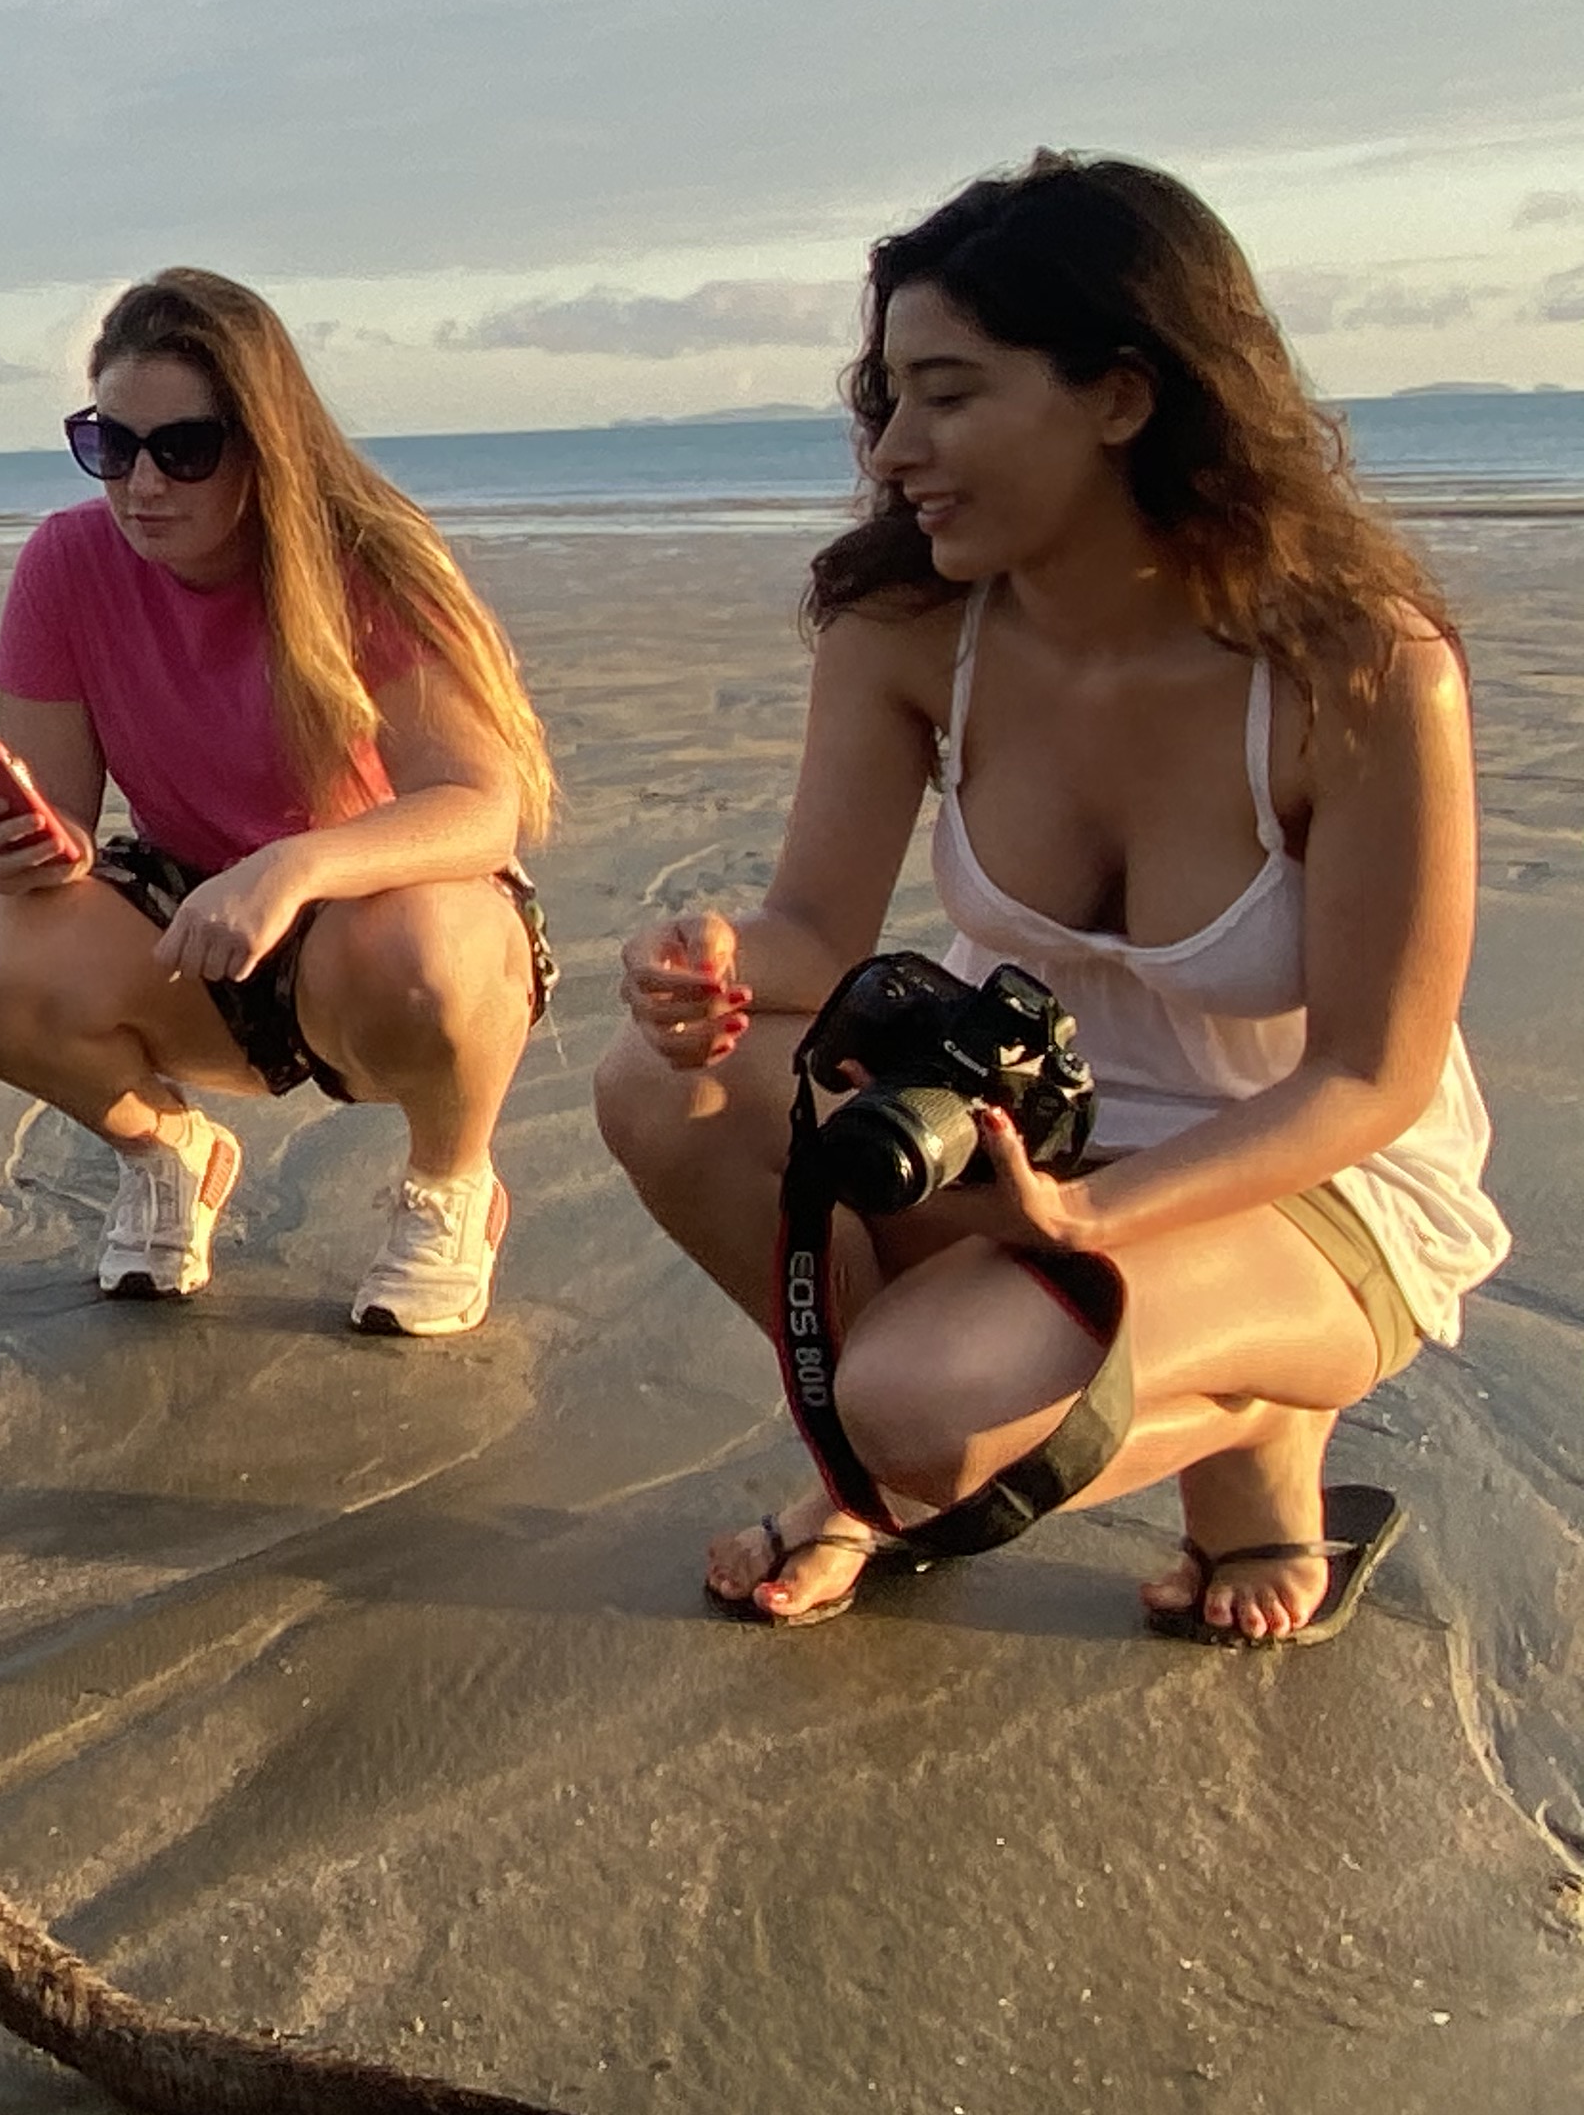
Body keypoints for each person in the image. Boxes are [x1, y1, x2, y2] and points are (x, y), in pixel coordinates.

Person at [597, 153, 1505, 1641]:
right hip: (1036, 1124)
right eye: (887, 399)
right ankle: (918, 1446)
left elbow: (1369, 1076)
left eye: (949, 396)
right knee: (657, 1086)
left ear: (1124, 395)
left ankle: (1168, 1434)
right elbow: (812, 942)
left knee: (911, 1398)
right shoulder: (907, 629)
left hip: (1304, 1175)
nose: (893, 451)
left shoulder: (1361, 674)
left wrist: (1092, 1216)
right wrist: (699, 968)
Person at [0, 269, 561, 1334]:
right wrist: (29, 851)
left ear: (264, 443)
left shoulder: (366, 558)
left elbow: (480, 805)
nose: (141, 484)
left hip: (382, 917)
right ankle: (169, 1154)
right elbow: (71, 835)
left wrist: (290, 867)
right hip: (201, 916)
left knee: (423, 953)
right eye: (110, 446)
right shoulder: (67, 561)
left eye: (183, 449)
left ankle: (450, 1188)